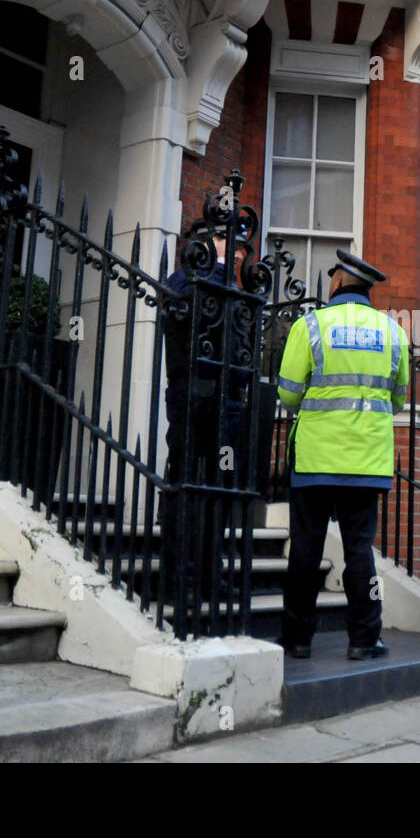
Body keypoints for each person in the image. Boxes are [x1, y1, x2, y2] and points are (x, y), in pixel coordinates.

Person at [275, 249, 410, 660]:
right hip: (366, 462)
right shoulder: (392, 331)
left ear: (336, 282)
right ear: (366, 287)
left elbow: (287, 392)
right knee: (358, 551)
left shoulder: (310, 325)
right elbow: (399, 398)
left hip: (315, 459)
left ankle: (297, 639)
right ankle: (364, 639)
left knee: (305, 549)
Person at [162, 231, 249, 605]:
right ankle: (178, 578)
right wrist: (214, 266)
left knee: (218, 490)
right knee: (184, 484)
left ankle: (211, 576)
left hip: (226, 405)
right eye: (230, 242)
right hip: (191, 397)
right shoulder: (185, 279)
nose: (240, 253)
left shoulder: (235, 287)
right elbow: (180, 314)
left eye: (243, 247)